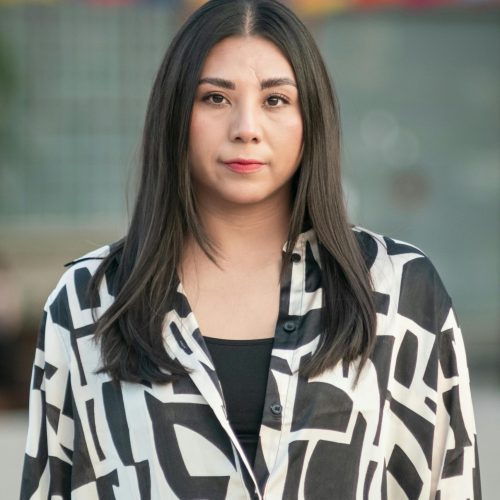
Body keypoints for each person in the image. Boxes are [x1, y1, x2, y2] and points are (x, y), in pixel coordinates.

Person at [20, 1, 481, 498]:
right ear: (176, 114)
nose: (246, 127)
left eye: (276, 100)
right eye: (215, 98)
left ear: (312, 118)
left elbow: (447, 482)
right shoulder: (91, 302)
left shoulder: (398, 291)